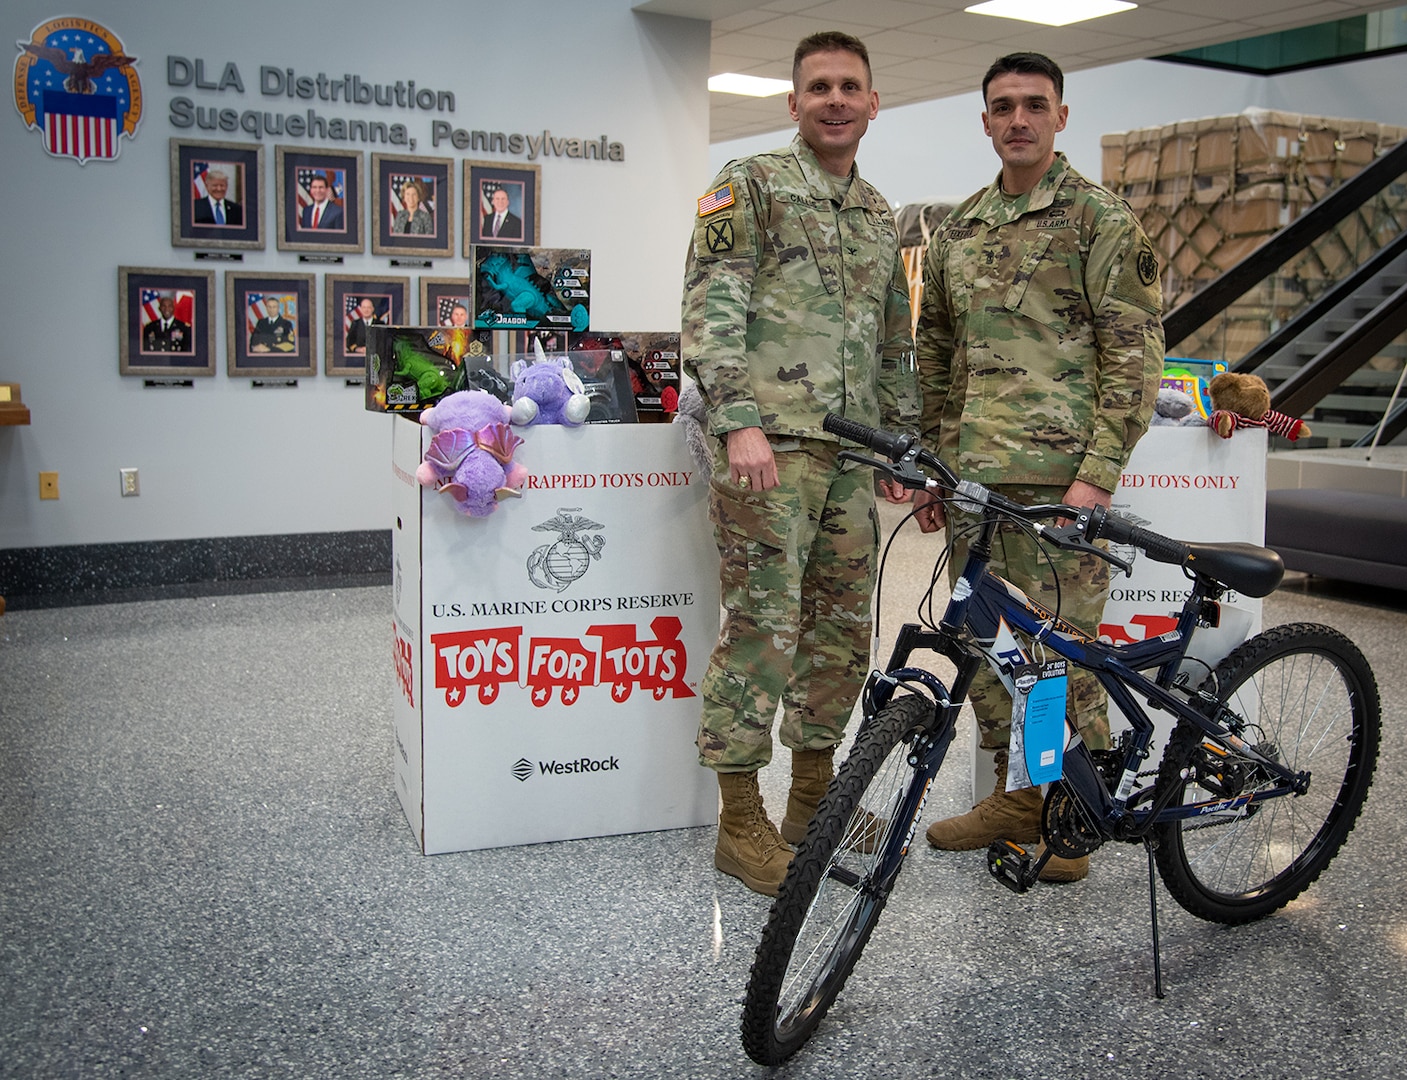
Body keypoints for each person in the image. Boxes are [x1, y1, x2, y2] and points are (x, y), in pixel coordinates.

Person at [913, 52, 1164, 882]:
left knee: (1062, 661)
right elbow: (937, 349)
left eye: (1033, 104)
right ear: (983, 121)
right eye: (1001, 106)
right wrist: (933, 465)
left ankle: (1066, 823)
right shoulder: (959, 227)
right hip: (974, 482)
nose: (1017, 118)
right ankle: (1019, 801)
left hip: (1060, 484)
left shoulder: (1100, 220)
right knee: (987, 652)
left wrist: (1094, 480)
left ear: (1061, 116)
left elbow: (1132, 354)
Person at [681, 30, 915, 897]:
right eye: (818, 86)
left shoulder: (878, 210)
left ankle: (811, 800)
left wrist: (903, 443)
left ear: (871, 103)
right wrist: (737, 422)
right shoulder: (750, 184)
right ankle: (739, 824)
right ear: (793, 103)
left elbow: (894, 338)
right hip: (768, 448)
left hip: (852, 454)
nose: (834, 100)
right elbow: (710, 306)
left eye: (850, 86)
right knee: (762, 630)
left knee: (840, 633)